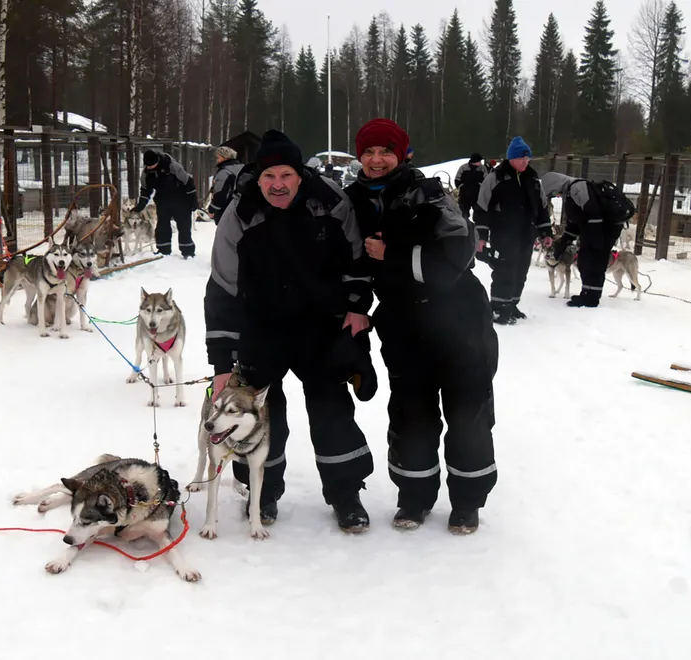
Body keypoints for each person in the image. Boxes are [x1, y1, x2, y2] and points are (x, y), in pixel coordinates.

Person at [203, 129, 376, 534]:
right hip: (260, 330)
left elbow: (355, 260)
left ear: (300, 174)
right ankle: (263, 492)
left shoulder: (331, 202)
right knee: (263, 414)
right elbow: (222, 288)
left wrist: (356, 308)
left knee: (332, 409)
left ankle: (346, 492)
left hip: (321, 326)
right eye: (268, 177)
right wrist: (222, 362)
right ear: (257, 177)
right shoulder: (239, 214)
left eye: (285, 175)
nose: (277, 185)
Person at [344, 118, 499, 535]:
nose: (377, 159)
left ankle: (467, 502)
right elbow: (348, 261)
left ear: (402, 154)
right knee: (412, 414)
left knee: (468, 412)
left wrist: (393, 255)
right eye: (369, 151)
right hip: (402, 322)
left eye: (386, 151)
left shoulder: (429, 194)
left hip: (458, 320)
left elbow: (458, 254)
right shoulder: (351, 200)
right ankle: (414, 497)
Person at [473, 136, 553, 325]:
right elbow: (482, 208)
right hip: (504, 234)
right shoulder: (496, 177)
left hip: (527, 233)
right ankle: (499, 309)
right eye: (521, 159)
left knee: (520, 272)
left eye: (527, 159)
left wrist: (545, 232)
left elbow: (541, 207)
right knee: (504, 271)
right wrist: (482, 236)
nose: (525, 162)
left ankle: (512, 304)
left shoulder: (533, 178)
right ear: (511, 158)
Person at [541, 172, 626, 308]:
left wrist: (595, 241)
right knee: (585, 262)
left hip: (603, 231)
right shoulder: (569, 192)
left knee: (595, 263)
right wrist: (563, 243)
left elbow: (593, 213)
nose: (556, 196)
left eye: (553, 193)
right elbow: (575, 222)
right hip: (594, 231)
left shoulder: (578, 188)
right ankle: (586, 293)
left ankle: (592, 298)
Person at [132, 149, 198, 258]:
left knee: (184, 226)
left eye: (151, 165)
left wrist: (193, 200)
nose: (149, 167)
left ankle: (188, 251)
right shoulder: (146, 173)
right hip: (162, 200)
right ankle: (163, 250)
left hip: (181, 199)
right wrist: (141, 204)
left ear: (157, 161)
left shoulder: (172, 166)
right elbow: (145, 189)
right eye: (147, 166)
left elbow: (188, 182)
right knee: (162, 226)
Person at [207, 146, 243, 224]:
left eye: (218, 158)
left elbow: (220, 194)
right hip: (244, 209)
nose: (217, 160)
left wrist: (212, 209)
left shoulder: (224, 172)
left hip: (227, 211)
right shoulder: (242, 168)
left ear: (225, 157)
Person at [453, 153, 490, 219]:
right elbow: (457, 179)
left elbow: (486, 180)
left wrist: (482, 188)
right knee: (463, 215)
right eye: (479, 161)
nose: (480, 163)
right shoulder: (463, 167)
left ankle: (477, 228)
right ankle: (466, 227)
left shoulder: (482, 168)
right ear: (474, 161)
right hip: (465, 196)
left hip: (478, 196)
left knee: (479, 216)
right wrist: (461, 187)